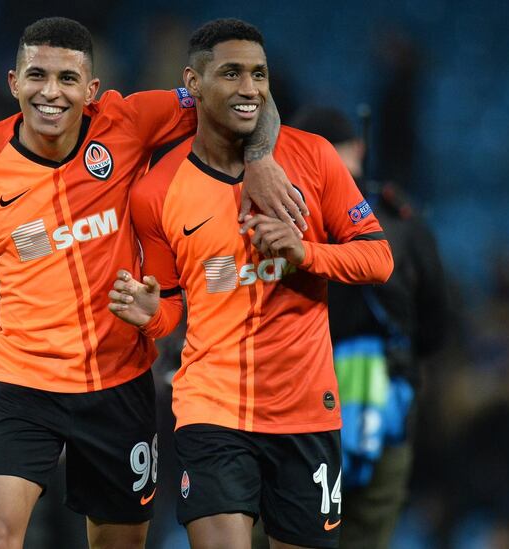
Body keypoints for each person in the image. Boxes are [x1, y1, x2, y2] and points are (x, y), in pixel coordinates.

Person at [0, 16, 307, 549]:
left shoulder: (128, 122)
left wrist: (259, 160)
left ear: (90, 89)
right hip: (23, 386)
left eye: (67, 79)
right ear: (13, 83)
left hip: (118, 384)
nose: (51, 92)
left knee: (120, 543)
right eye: (37, 76)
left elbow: (246, 96)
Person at [108, 19, 393, 549]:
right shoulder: (156, 192)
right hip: (211, 410)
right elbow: (172, 308)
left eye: (259, 74)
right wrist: (152, 314)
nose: (249, 88)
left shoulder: (313, 157)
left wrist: (302, 252)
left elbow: (379, 259)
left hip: (306, 410)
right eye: (232, 73)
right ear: (192, 82)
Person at [291, 105, 447, 549]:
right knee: (368, 534)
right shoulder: (402, 222)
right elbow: (437, 326)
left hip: (299, 405)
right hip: (388, 401)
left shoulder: (281, 223)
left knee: (288, 531)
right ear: (358, 147)